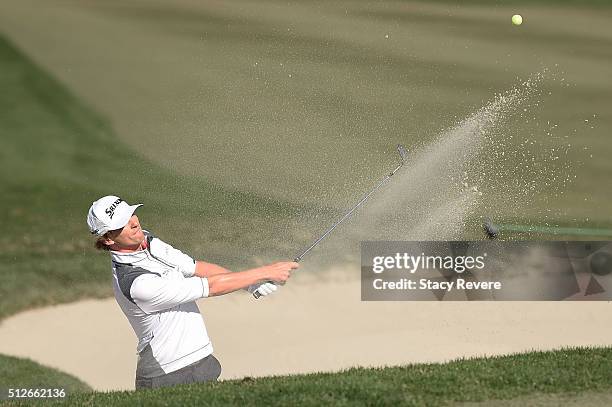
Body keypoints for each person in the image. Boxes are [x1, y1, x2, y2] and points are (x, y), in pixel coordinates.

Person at [86, 195, 298, 390]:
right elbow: (209, 287)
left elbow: (195, 268)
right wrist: (265, 271)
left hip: (200, 360)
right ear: (108, 239)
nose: (134, 222)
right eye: (123, 223)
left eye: (131, 213)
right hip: (167, 375)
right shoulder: (136, 283)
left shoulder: (147, 243)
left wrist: (250, 283)